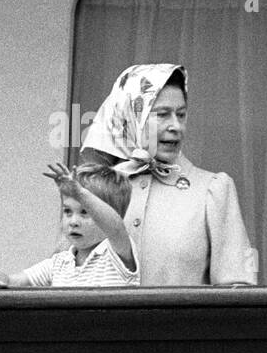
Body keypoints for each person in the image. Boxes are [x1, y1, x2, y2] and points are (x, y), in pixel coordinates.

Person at [80, 64, 256, 285]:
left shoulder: (212, 189)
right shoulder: (94, 189)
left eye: (181, 115)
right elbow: (63, 275)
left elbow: (237, 290)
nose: (176, 126)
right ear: (130, 116)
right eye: (162, 115)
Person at [0, 162, 138, 305]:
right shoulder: (59, 263)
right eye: (67, 211)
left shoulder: (117, 253)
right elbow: (13, 281)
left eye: (85, 212)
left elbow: (115, 227)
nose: (73, 221)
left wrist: (79, 193)